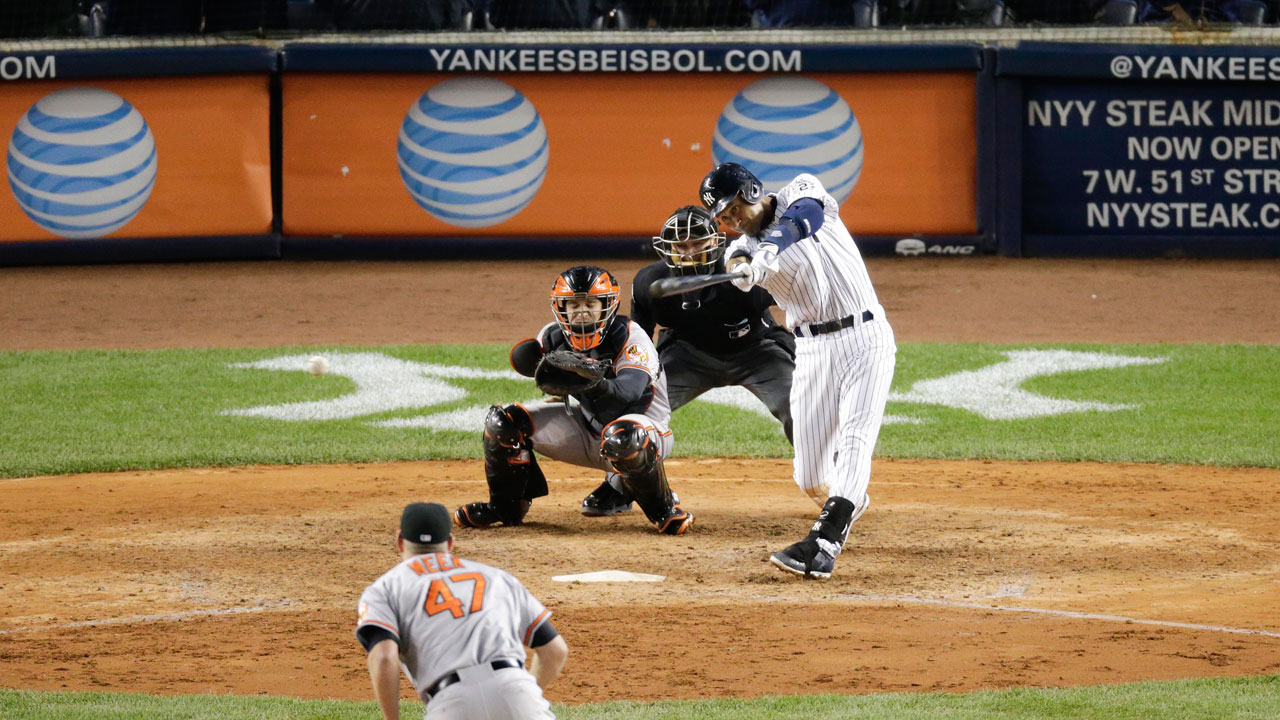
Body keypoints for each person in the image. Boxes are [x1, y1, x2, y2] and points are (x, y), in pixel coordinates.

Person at [698, 162, 896, 580]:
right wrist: (743, 269)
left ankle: (823, 544)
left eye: (734, 207)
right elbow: (736, 263)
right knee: (808, 475)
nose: (732, 220)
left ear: (752, 190)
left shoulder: (801, 190)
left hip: (866, 337)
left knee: (856, 436)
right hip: (812, 351)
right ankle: (848, 497)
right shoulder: (741, 250)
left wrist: (769, 250)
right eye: (724, 216)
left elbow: (804, 217)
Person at [578, 206, 795, 518]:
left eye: (697, 244)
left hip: (757, 351)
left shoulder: (745, 276)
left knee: (801, 406)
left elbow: (802, 303)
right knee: (634, 409)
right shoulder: (649, 283)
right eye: (681, 246)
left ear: (716, 243)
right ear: (666, 249)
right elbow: (634, 339)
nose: (689, 252)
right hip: (687, 356)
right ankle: (622, 486)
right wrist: (620, 380)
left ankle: (832, 482)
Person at [454, 265, 693, 535]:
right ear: (560, 308)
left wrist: (589, 378)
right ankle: (504, 507)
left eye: (590, 303)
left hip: (646, 432)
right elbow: (524, 359)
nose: (581, 311)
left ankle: (664, 511)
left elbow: (627, 394)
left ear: (607, 305)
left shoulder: (630, 337)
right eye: (573, 304)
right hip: (587, 428)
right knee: (503, 422)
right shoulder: (553, 337)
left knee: (623, 437)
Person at [356, 501, 569, 720]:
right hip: (518, 692)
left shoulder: (384, 588)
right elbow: (555, 651)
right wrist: (520, 693)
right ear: (450, 543)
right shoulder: (497, 578)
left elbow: (383, 658)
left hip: (452, 703)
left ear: (400, 541)